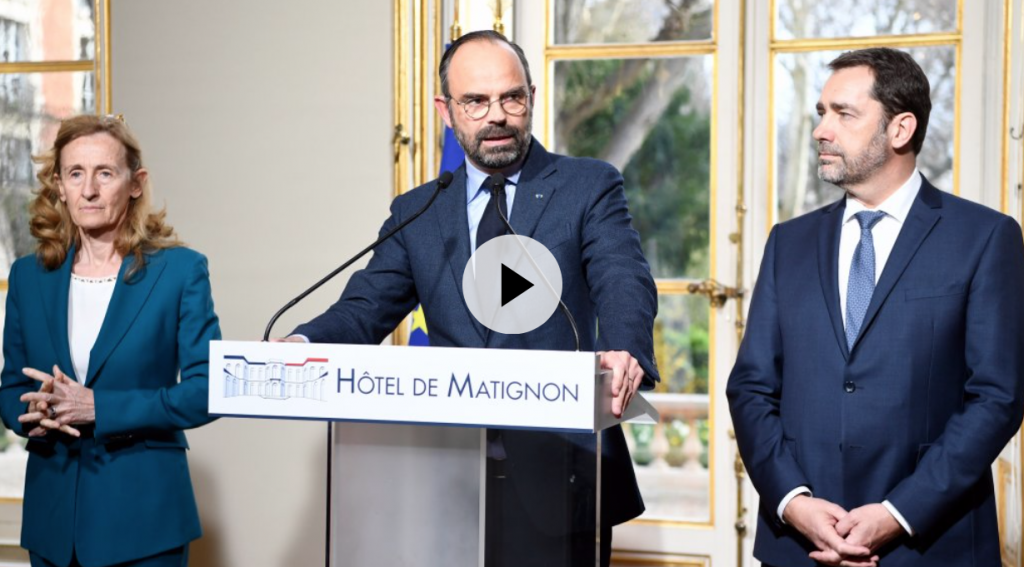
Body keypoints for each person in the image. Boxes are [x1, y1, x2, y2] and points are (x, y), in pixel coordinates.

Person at [281, 30, 658, 566]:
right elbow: (366, 307)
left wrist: (624, 346)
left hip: (560, 475)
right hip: (443, 475)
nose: (496, 115)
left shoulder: (587, 186)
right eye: (476, 101)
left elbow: (624, 277)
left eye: (511, 98)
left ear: (530, 96)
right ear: (446, 110)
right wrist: (302, 341)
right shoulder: (419, 211)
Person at [727, 47, 1024, 567]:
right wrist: (794, 503)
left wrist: (898, 512)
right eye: (821, 113)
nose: (822, 130)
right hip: (799, 546)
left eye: (843, 114)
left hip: (929, 545)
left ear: (900, 128)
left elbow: (997, 397)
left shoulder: (984, 239)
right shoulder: (788, 243)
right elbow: (750, 387)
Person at [0, 115, 221, 567]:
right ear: (59, 185)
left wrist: (101, 408)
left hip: (146, 524)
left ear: (135, 183)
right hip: (53, 526)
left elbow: (208, 391)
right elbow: (8, 391)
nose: (89, 190)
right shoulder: (28, 276)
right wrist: (32, 411)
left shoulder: (180, 272)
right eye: (75, 174)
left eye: (105, 173)